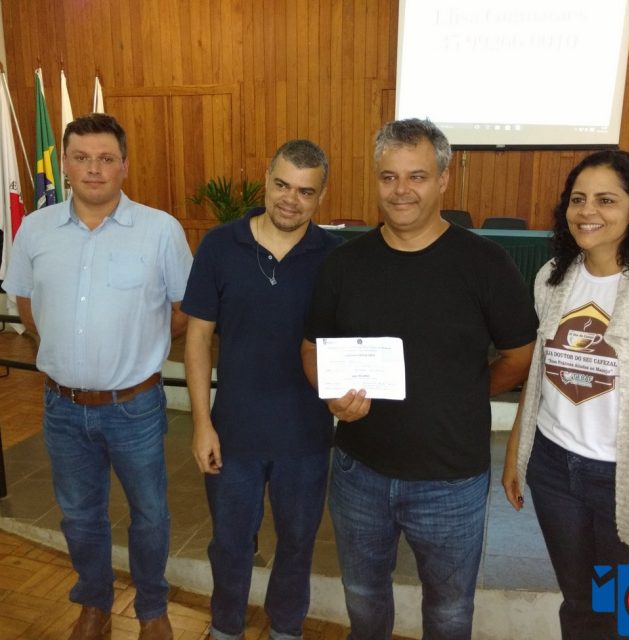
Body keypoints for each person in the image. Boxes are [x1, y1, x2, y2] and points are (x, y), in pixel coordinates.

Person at [301, 118, 538, 640]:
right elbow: (312, 348)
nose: (401, 190)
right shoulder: (345, 264)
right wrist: (331, 395)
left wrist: (467, 392)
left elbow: (521, 356)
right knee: (363, 601)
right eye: (389, 177)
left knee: (450, 614)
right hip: (359, 473)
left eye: (417, 176)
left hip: (450, 481)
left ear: (443, 179)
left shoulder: (485, 263)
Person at [2, 113, 192, 640]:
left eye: (106, 158)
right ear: (64, 164)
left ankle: (152, 609)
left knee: (149, 514)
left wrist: (141, 347)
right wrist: (65, 352)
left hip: (135, 407)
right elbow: (26, 302)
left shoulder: (160, 230)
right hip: (62, 407)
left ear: (124, 166)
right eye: (82, 158)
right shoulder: (35, 229)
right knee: (80, 516)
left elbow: (184, 309)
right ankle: (94, 604)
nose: (93, 169)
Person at [182, 139, 342, 640]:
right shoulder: (219, 245)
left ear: (321, 197)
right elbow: (198, 338)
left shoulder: (335, 258)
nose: (290, 199)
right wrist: (202, 424)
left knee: (297, 545)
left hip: (306, 436)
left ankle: (286, 630)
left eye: (305, 191)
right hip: (233, 433)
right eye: (281, 185)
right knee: (229, 545)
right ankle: (226, 628)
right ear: (266, 180)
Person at [502, 150, 629, 640]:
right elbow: (539, 373)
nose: (588, 211)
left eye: (607, 200)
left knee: (625, 610)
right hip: (555, 468)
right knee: (580, 601)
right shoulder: (553, 277)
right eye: (578, 199)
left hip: (623, 477)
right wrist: (516, 450)